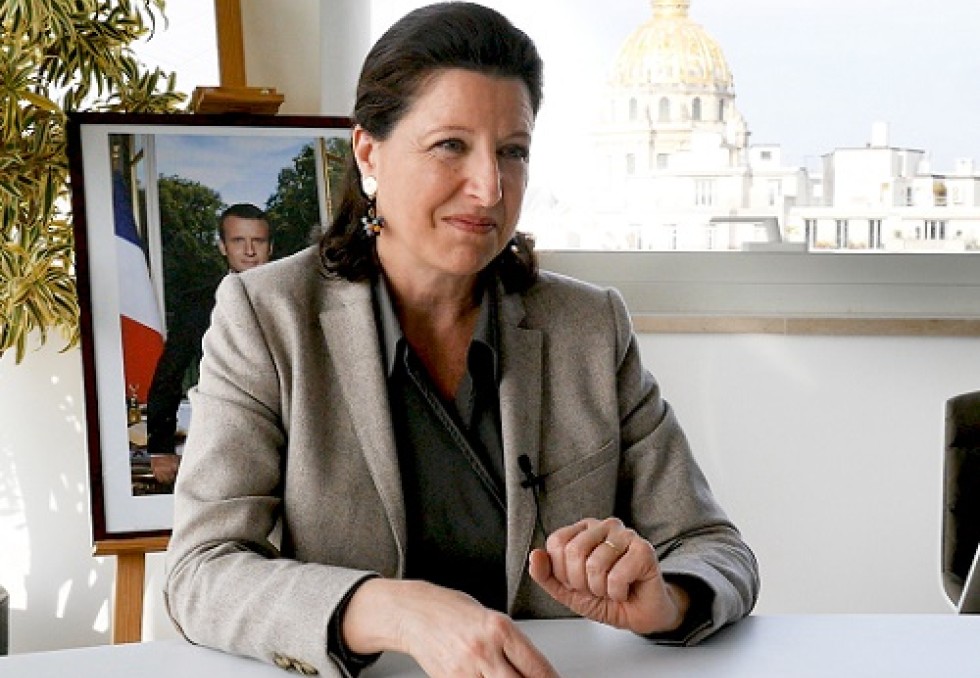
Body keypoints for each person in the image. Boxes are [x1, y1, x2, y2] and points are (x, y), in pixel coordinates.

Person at [164, 4, 759, 676]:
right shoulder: (266, 316)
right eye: (451, 145)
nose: (489, 187)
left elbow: (715, 548)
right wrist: (393, 610)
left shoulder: (590, 325)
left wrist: (668, 599)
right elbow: (200, 572)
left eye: (513, 151)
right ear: (368, 153)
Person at [145, 203, 273, 485]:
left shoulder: (295, 300)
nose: (249, 251)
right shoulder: (197, 305)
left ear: (270, 247)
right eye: (238, 241)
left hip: (290, 442)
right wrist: (161, 448)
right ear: (223, 247)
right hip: (221, 445)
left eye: (258, 241)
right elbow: (169, 375)